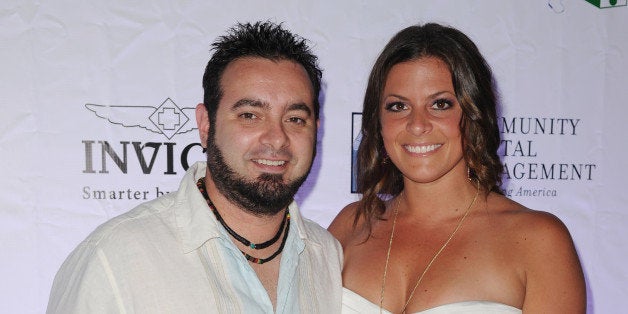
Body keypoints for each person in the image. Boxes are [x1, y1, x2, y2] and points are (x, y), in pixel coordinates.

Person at [48, 21, 342, 314]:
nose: (277, 138)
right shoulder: (113, 259)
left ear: (316, 129)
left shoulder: (327, 255)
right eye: (250, 115)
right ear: (205, 124)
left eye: (295, 119)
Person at [329, 23, 586, 313]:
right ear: (378, 122)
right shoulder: (352, 225)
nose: (417, 124)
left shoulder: (538, 240)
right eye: (398, 106)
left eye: (440, 104)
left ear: (474, 113)